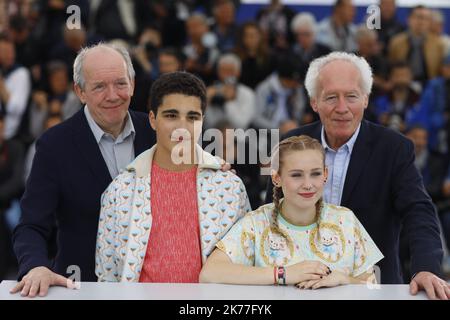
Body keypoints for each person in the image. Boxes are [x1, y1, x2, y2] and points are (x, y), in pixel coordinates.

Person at [265, 52, 450, 299]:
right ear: (314, 102)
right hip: (297, 288)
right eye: (331, 97)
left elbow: (418, 210)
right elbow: (270, 212)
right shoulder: (289, 144)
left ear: (365, 99)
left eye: (351, 96)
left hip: (373, 288)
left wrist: (426, 268)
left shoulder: (394, 148)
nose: (342, 108)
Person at [10, 43, 156, 297]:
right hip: (81, 288)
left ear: (132, 83)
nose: (112, 95)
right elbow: (31, 225)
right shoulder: (54, 146)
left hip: (154, 287)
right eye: (99, 86)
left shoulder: (156, 133)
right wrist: (35, 266)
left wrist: (212, 172)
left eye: (120, 83)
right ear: (80, 91)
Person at [95, 71, 251, 282]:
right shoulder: (120, 190)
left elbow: (246, 263)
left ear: (202, 121)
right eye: (171, 115)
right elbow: (107, 276)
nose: (182, 127)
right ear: (152, 119)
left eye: (192, 117)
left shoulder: (230, 188)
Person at [200, 135, 383, 288]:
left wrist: (343, 280)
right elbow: (210, 273)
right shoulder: (257, 223)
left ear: (325, 174)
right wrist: (283, 274)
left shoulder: (346, 220)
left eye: (316, 173)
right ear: (276, 177)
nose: (308, 184)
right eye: (296, 175)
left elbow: (373, 285)